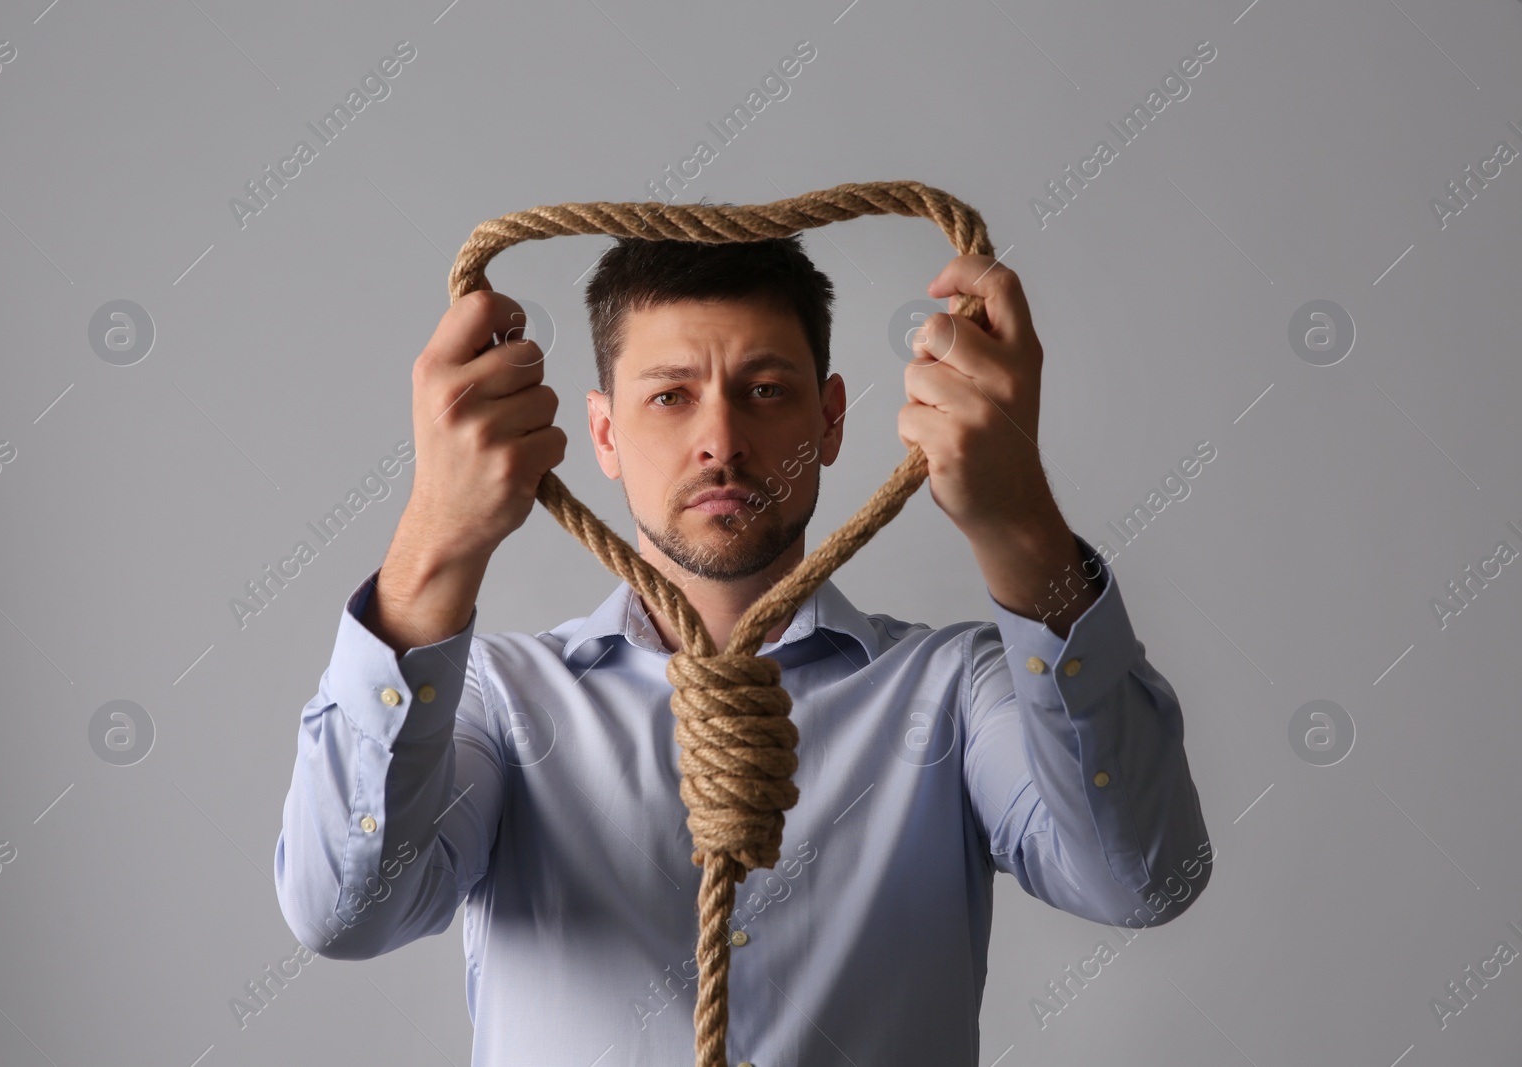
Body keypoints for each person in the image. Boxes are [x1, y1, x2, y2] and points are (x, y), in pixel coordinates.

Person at [274, 234, 1212, 1065]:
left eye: (765, 391)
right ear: (602, 432)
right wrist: (434, 541)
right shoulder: (495, 699)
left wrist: (1021, 524)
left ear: (832, 420)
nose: (720, 440)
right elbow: (343, 911)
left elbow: (1141, 877)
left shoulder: (954, 694)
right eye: (670, 396)